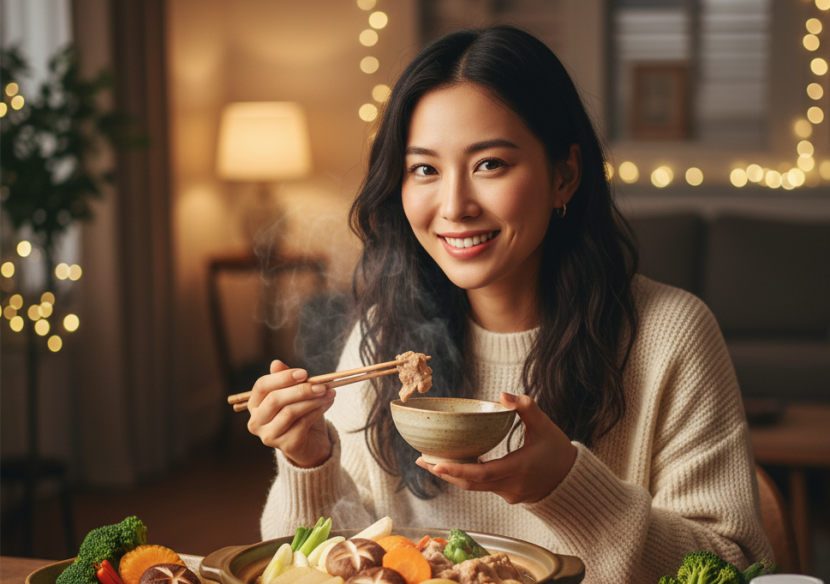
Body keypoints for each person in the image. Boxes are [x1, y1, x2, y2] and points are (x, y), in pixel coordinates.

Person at [246, 25, 772, 582]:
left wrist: (565, 487)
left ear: (564, 176)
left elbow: (733, 567)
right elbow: (346, 555)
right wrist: (310, 461)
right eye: (425, 169)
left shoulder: (670, 335)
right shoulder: (386, 332)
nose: (454, 206)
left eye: (489, 164)